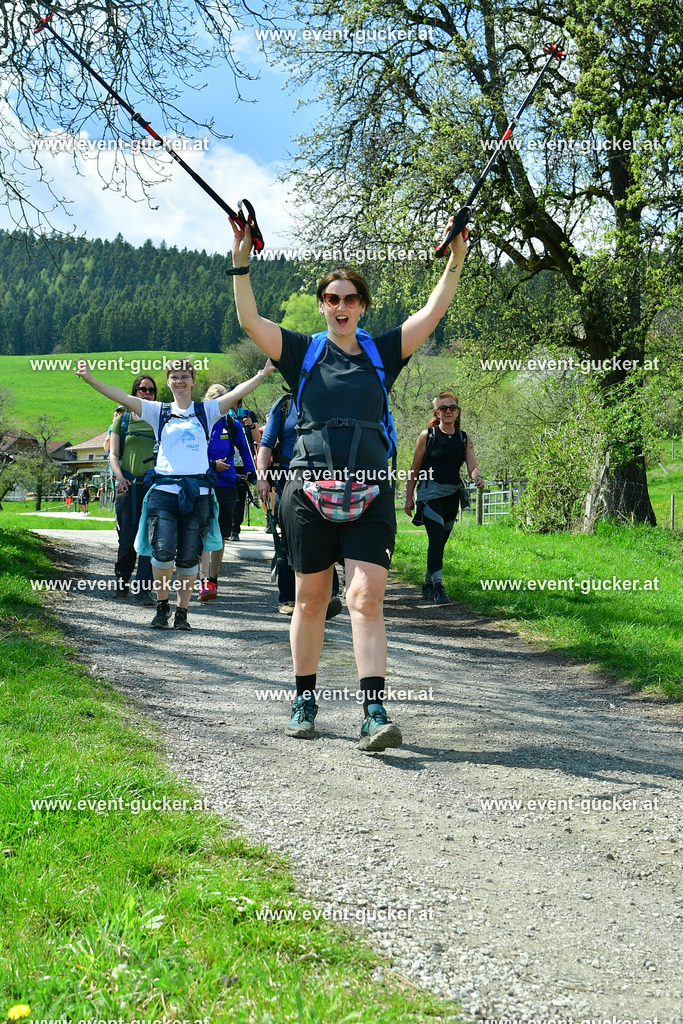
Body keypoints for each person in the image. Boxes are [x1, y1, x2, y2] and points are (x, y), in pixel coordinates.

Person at [230, 215, 469, 752]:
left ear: (363, 306)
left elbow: (432, 312)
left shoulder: (383, 353)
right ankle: (304, 698)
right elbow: (249, 320)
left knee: (364, 599)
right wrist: (241, 255)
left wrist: (455, 257)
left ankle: (374, 711)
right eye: (332, 299)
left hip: (370, 491)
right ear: (322, 305)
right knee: (311, 600)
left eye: (351, 299)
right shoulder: (301, 352)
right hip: (307, 491)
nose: (341, 307)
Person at [76, 356, 274, 631]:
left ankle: (182, 612)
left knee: (189, 557)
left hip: (198, 493)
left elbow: (238, 391)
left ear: (192, 380)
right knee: (162, 551)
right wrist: (91, 379)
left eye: (184, 376)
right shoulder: (158, 411)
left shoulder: (207, 410)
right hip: (164, 493)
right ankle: (162, 607)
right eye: (174, 376)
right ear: (168, 382)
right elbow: (121, 396)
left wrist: (263, 374)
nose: (179, 381)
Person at [257, 392, 342, 618]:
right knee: (288, 539)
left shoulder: (329, 398)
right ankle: (288, 597)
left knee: (325, 536)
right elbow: (266, 443)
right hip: (289, 480)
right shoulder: (284, 404)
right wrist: (261, 477)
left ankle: (330, 595)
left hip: (325, 479)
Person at [405, 391, 485, 605]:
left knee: (440, 542)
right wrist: (408, 498)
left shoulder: (463, 438)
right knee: (436, 538)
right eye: (443, 408)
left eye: (452, 408)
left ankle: (427, 583)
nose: (448, 411)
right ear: (437, 412)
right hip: (430, 494)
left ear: (457, 412)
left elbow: (472, 466)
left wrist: (478, 477)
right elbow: (414, 468)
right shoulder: (427, 436)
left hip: (452, 495)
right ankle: (439, 586)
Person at [197, 383, 256, 600]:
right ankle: (203, 582)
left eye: (228, 403)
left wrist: (251, 471)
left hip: (226, 484)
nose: (225, 407)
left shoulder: (232, 424)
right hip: (202, 482)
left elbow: (245, 449)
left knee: (220, 535)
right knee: (203, 532)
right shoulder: (198, 421)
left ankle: (212, 580)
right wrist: (212, 465)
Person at [109, 375, 158, 604]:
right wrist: (120, 478)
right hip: (127, 486)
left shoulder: (160, 418)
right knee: (127, 539)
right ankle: (122, 578)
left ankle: (144, 588)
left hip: (153, 486)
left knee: (150, 538)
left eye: (150, 390)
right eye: (142, 389)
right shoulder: (123, 420)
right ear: (134, 392)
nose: (146, 393)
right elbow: (113, 454)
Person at [229, 402, 260, 541]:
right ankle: (225, 526)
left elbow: (258, 439)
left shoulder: (248, 414)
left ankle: (235, 529)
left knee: (240, 497)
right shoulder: (222, 414)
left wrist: (251, 425)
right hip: (226, 460)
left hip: (242, 461)